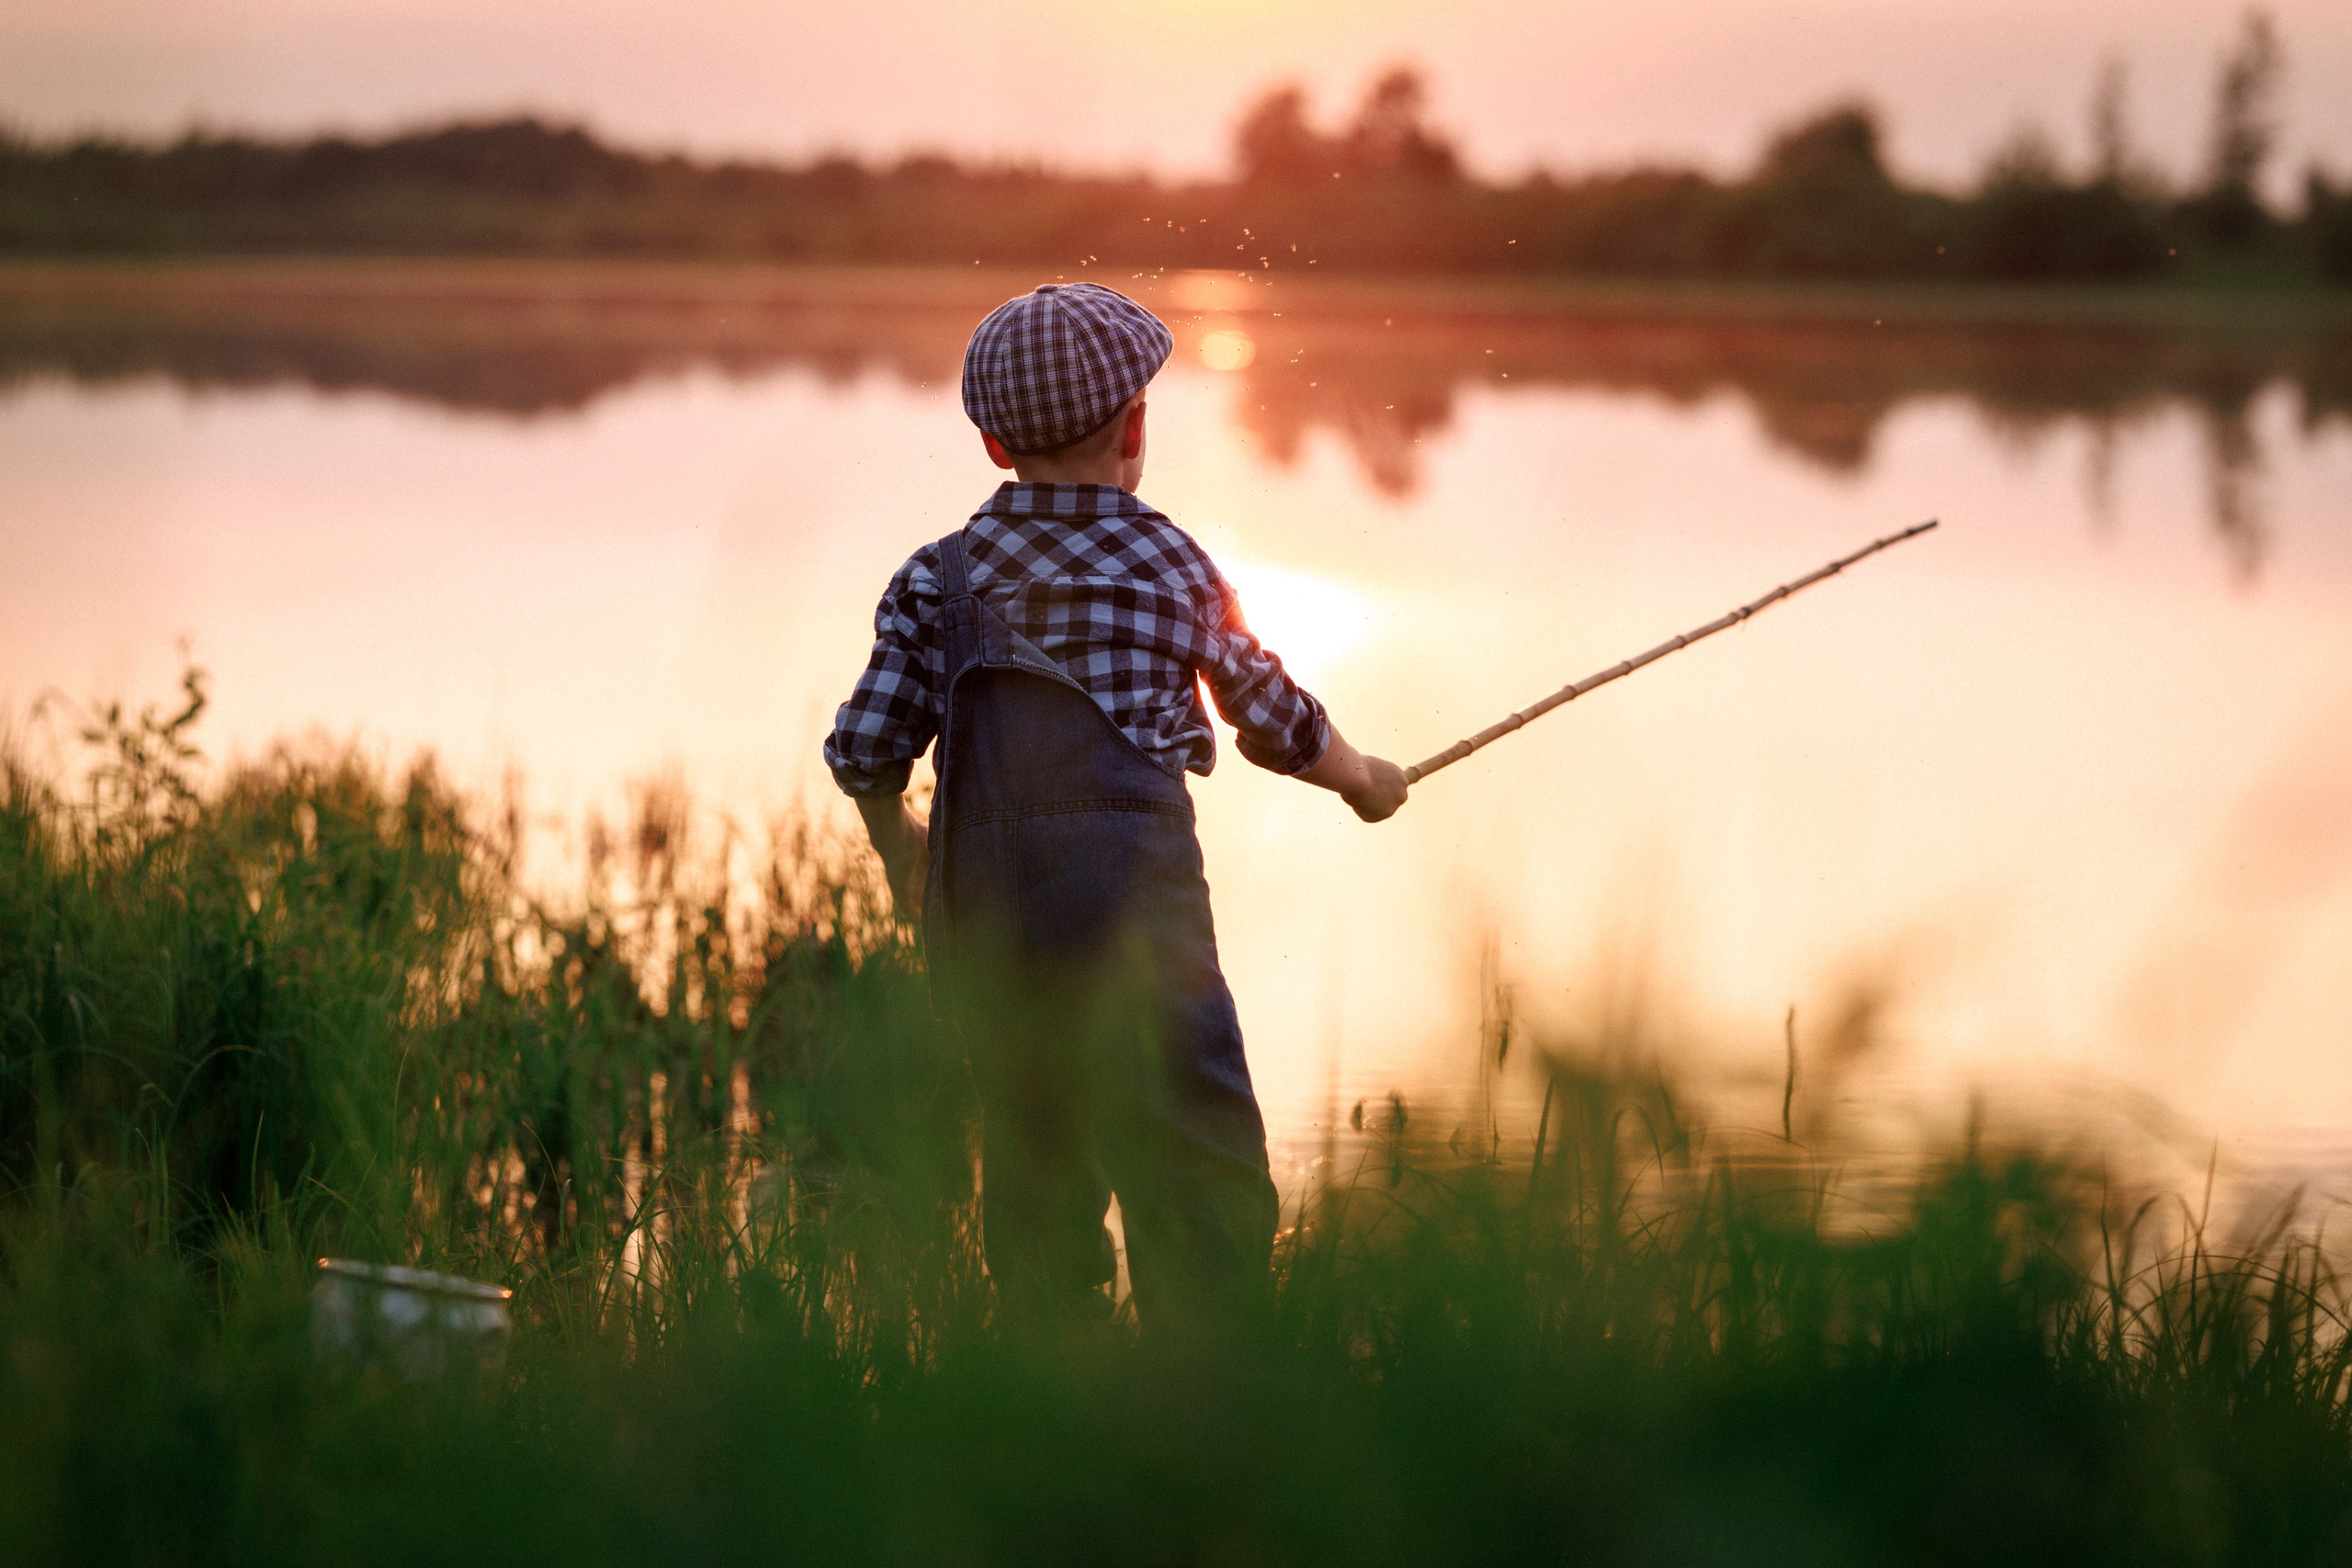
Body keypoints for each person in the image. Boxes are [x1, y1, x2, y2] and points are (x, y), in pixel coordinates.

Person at [824, 281, 1408, 1326]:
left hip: (994, 931)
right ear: (1136, 425)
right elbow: (1270, 717)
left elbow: (865, 750)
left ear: (994, 444)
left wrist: (895, 842)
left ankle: (1055, 1374)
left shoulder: (935, 580)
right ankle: (1208, 1373)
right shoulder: (1168, 562)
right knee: (1192, 1143)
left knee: (1034, 1139)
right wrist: (1363, 779)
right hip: (1144, 924)